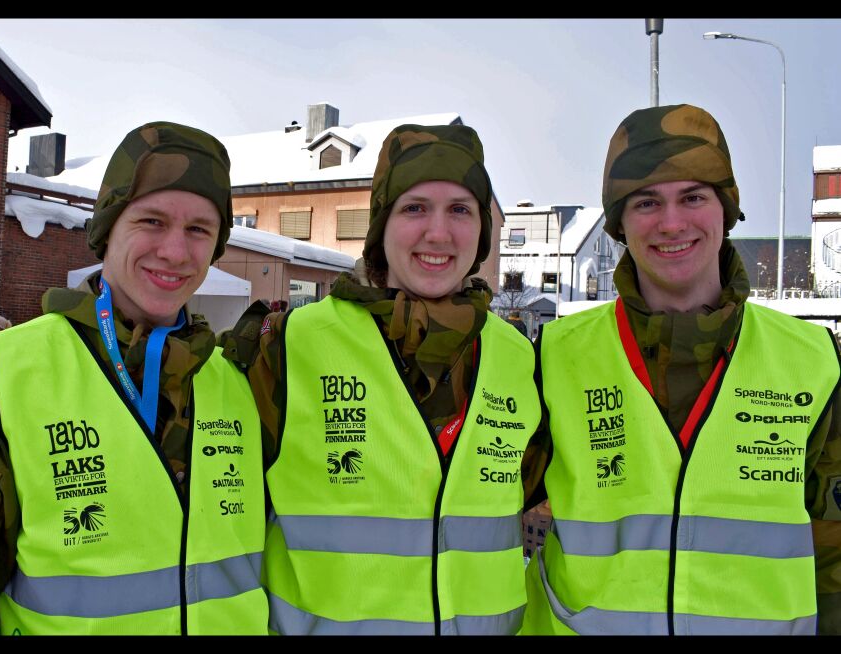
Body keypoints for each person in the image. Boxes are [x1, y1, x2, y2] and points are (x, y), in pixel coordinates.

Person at [0, 122, 267, 635]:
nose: (176, 252)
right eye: (151, 221)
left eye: (199, 229)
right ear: (107, 229)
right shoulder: (1, 372)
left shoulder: (236, 382)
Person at [521, 104, 841, 635]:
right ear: (620, 222)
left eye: (693, 196)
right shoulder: (556, 355)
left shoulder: (812, 360)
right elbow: (462, 503)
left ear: (726, 210)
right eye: (647, 202)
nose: (672, 223)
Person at [222, 124, 540, 634]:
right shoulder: (286, 347)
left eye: (460, 209)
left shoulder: (517, 357)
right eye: (414, 208)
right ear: (380, 225)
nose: (438, 233)